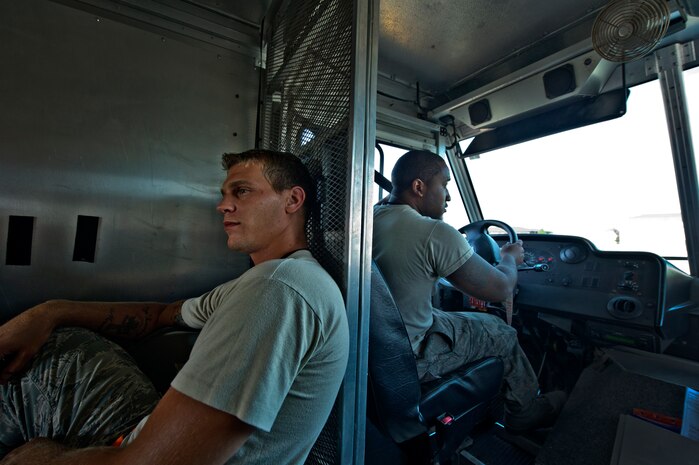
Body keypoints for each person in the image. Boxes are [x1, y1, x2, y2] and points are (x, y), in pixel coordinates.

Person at [0, 149, 349, 464]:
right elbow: (159, 315)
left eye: (242, 191)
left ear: (292, 200)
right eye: (224, 194)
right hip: (142, 435)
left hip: (133, 452)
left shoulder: (278, 290)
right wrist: (50, 312)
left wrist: (45, 458)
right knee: (61, 342)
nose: (223, 205)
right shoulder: (258, 283)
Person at [372, 149, 565, 433]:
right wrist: (509, 257)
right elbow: (501, 288)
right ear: (419, 187)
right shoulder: (433, 232)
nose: (448, 196)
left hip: (378, 342)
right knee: (502, 332)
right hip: (411, 353)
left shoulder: (373, 216)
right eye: (445, 185)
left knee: (452, 315)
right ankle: (525, 412)